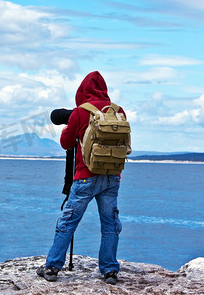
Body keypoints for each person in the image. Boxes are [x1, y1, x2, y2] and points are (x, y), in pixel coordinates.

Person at [37, 71, 125, 285]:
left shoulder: (80, 112)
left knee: (68, 221)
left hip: (85, 177)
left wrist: (70, 126)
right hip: (112, 176)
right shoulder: (118, 111)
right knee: (110, 223)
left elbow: (66, 143)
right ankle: (110, 270)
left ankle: (52, 267)